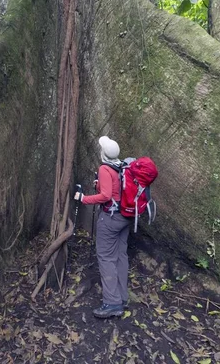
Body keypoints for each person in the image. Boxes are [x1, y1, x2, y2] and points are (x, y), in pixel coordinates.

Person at [74, 136, 132, 319]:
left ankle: (112, 303)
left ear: (103, 154)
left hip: (111, 219)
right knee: (120, 255)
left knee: (106, 257)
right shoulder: (122, 166)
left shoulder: (104, 168)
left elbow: (106, 196)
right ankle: (122, 297)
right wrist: (98, 184)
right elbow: (115, 188)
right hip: (126, 217)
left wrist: (84, 199)